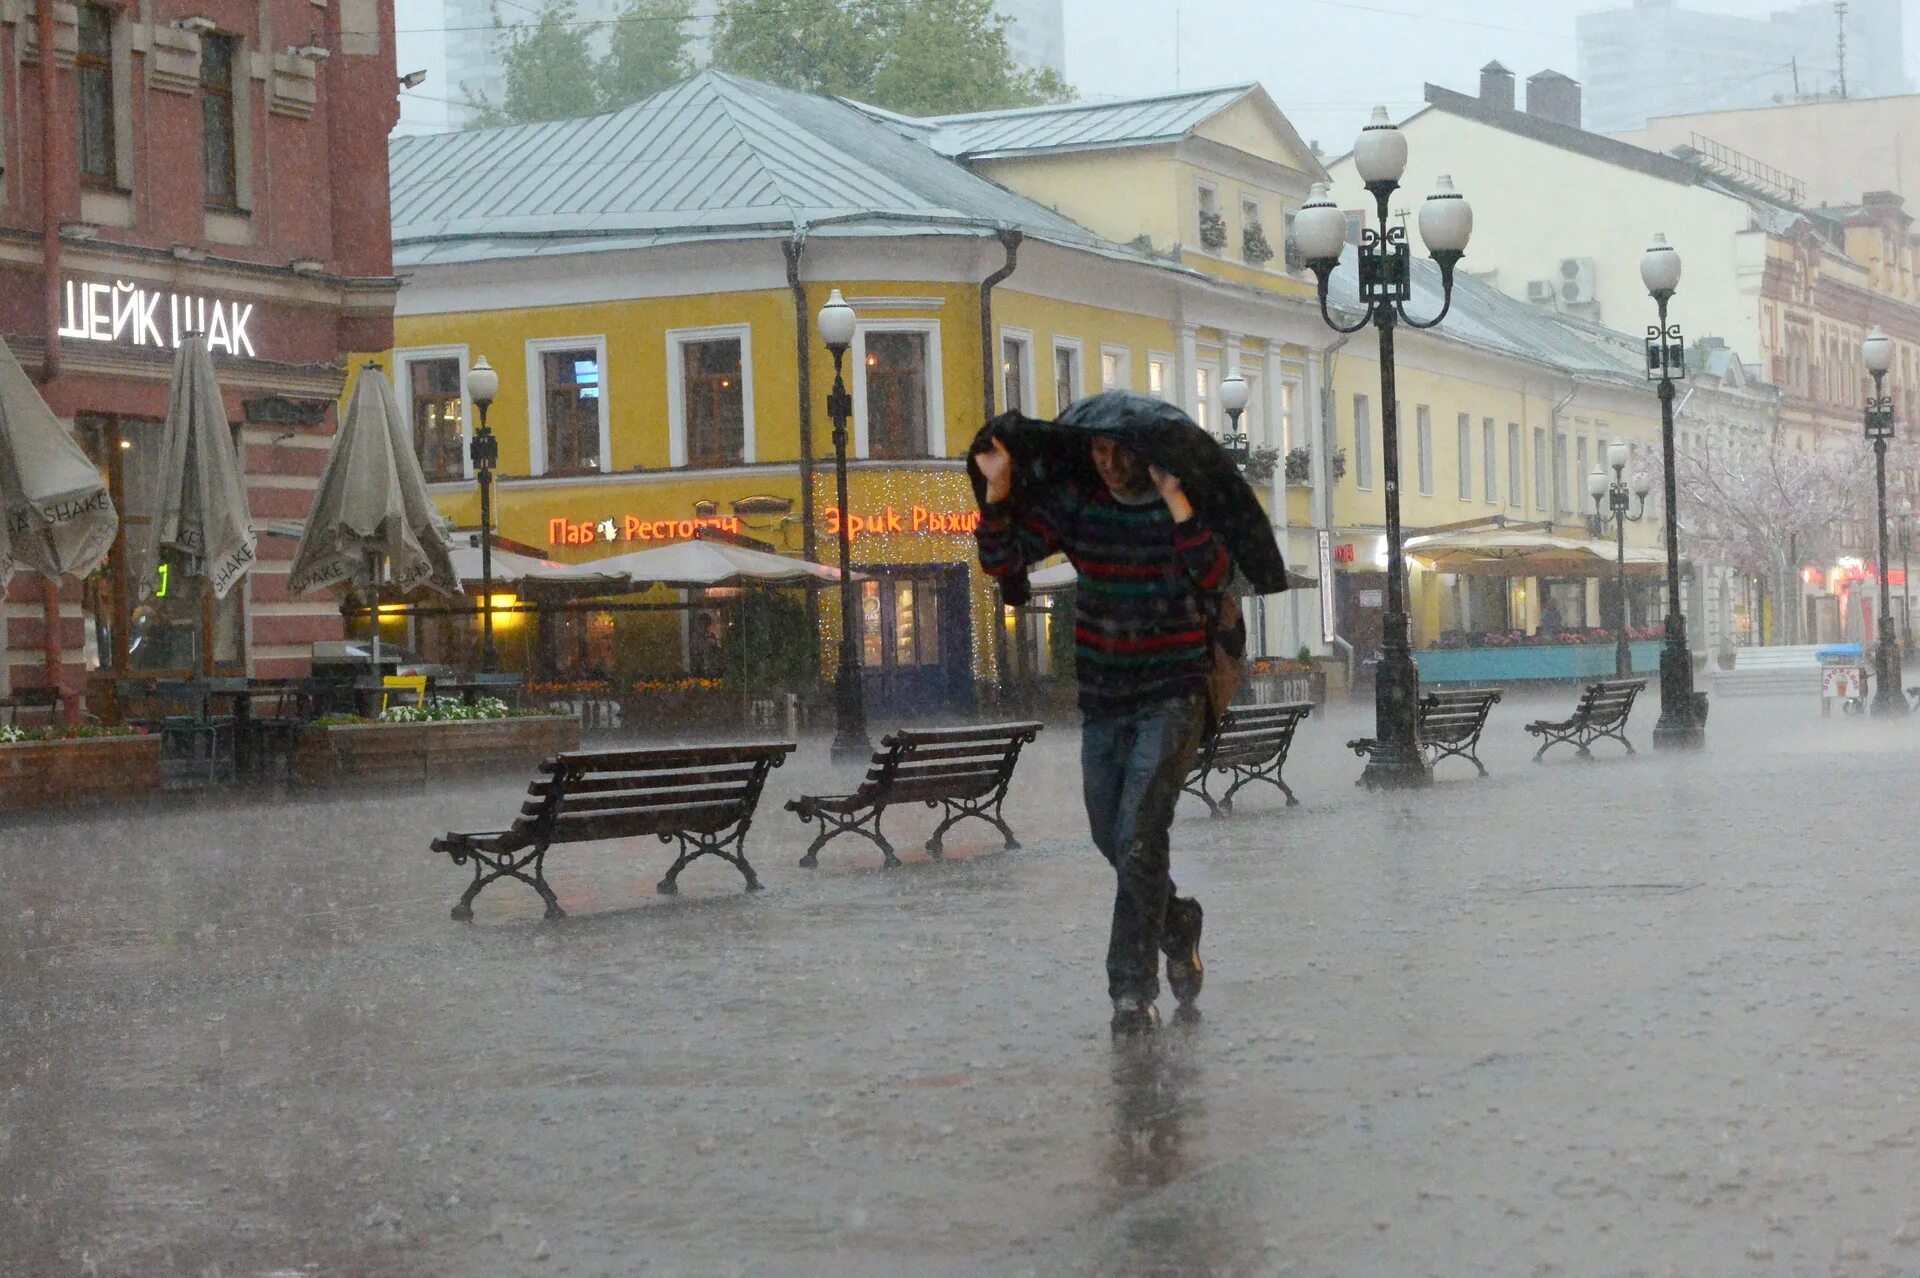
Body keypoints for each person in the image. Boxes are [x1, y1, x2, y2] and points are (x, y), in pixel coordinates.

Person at [973, 430, 1230, 1036]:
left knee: (1139, 837)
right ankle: (1177, 923)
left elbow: (1215, 571)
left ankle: (1130, 992)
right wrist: (999, 486)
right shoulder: (1080, 510)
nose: (1110, 464)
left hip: (1170, 698)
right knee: (1111, 837)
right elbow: (1002, 561)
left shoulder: (1177, 509)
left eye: (1121, 451)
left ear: (1145, 454)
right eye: (1099, 453)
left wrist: (1177, 497)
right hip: (1106, 702)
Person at [689, 613, 723, 678]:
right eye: (702, 624)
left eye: (707, 624)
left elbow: (716, 650)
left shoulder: (712, 635)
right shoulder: (696, 636)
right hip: (700, 667)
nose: (704, 626)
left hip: (712, 666)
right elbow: (694, 651)